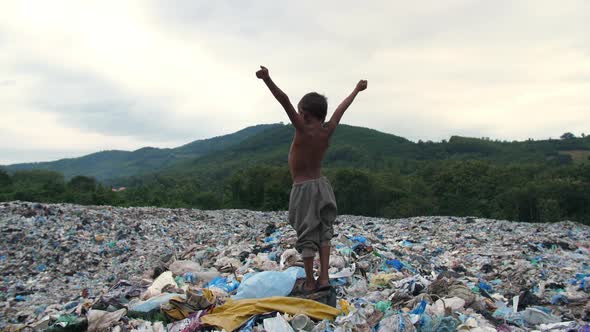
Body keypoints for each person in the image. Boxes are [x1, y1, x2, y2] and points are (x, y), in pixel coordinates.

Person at [256, 65, 368, 293]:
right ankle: (324, 277)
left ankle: (309, 280)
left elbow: (283, 100)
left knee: (307, 235)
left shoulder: (302, 129)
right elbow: (340, 110)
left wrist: (267, 79)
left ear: (304, 114)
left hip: (303, 189)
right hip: (323, 187)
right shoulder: (327, 130)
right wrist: (356, 89)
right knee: (324, 231)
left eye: (299, 111)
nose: (297, 114)